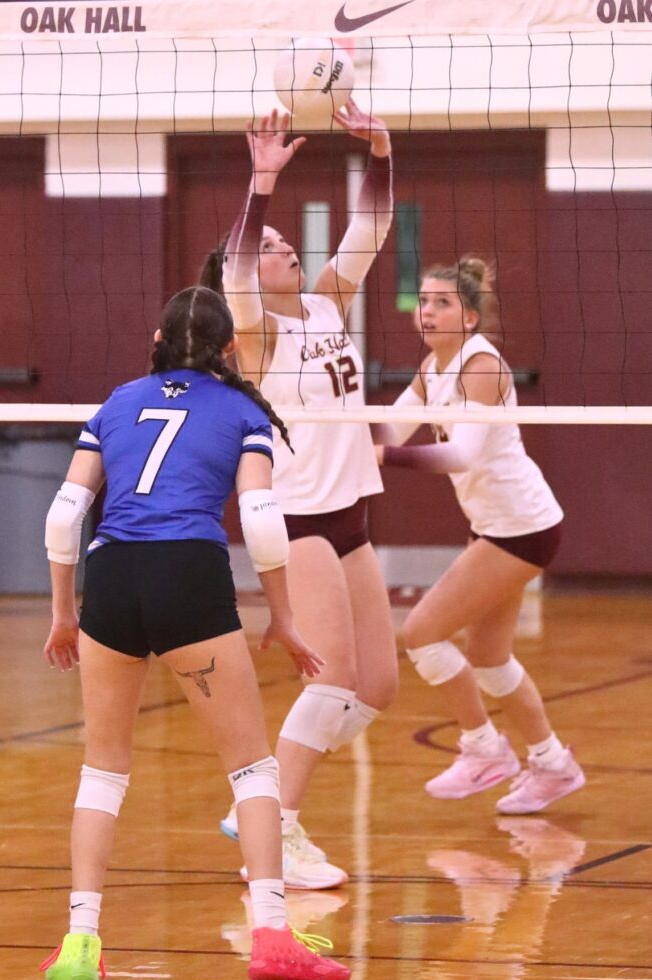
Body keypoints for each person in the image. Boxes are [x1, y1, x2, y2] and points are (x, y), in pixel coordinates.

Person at [39, 285, 351, 980]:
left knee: (102, 771)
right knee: (251, 769)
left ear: (155, 340)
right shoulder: (242, 410)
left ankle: (81, 942)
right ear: (230, 348)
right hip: (188, 574)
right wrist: (284, 617)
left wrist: (64, 611)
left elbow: (65, 515)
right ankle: (271, 934)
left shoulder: (117, 402)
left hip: (111, 576)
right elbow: (265, 520)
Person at [201, 105, 399, 888]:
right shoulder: (252, 332)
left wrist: (382, 155)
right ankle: (272, 827)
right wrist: (262, 185)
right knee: (333, 678)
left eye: (288, 245)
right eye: (273, 246)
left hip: (348, 513)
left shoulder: (323, 303)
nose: (284, 251)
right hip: (297, 515)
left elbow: (371, 231)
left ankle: (263, 800)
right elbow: (240, 266)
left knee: (377, 685)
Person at [376, 257, 585, 814]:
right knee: (490, 659)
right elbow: (387, 428)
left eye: (442, 302)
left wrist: (383, 455)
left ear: (469, 317)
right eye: (423, 301)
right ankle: (551, 765)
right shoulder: (431, 368)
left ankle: (483, 749)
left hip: (521, 527)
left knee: (421, 633)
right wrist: (326, 430)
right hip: (500, 525)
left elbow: (458, 455)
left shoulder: (481, 367)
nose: (428, 311)